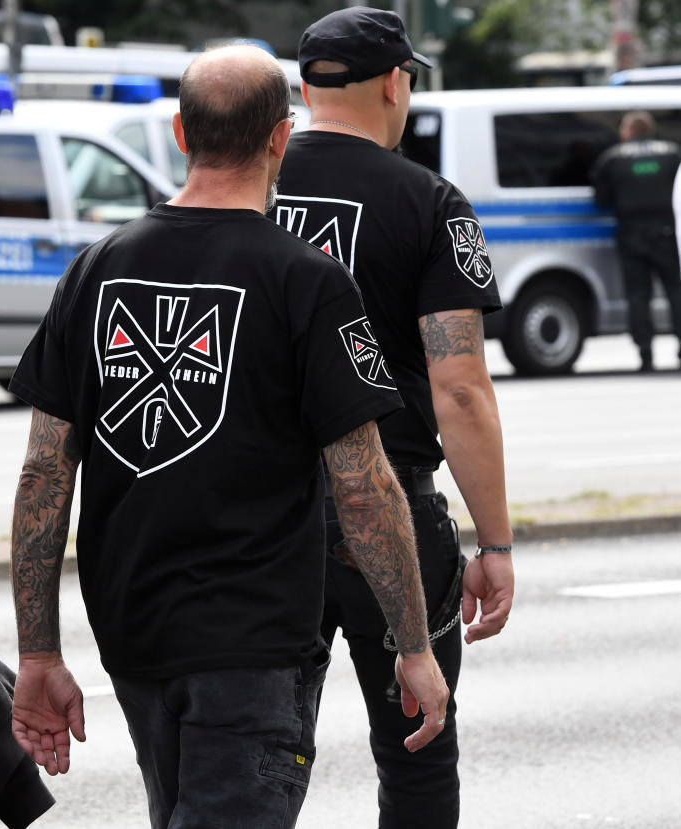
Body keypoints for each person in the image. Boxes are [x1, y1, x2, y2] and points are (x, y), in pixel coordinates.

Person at [6, 44, 450, 829]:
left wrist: (38, 653)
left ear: (180, 132)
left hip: (133, 626)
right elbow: (364, 483)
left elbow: (45, 473)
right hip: (254, 639)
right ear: (281, 139)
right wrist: (411, 644)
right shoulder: (305, 279)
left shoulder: (96, 268)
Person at [272, 7, 516, 828]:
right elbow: (461, 391)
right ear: (396, 81)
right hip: (394, 510)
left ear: (305, 89)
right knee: (417, 746)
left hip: (261, 519)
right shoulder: (428, 201)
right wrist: (496, 541)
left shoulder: (243, 183)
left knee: (256, 757)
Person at [591, 110, 681, 371]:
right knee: (676, 290)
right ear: (649, 129)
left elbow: (601, 199)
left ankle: (645, 354)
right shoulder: (672, 154)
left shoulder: (612, 158)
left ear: (628, 131)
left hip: (632, 234)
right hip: (667, 232)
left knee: (638, 295)